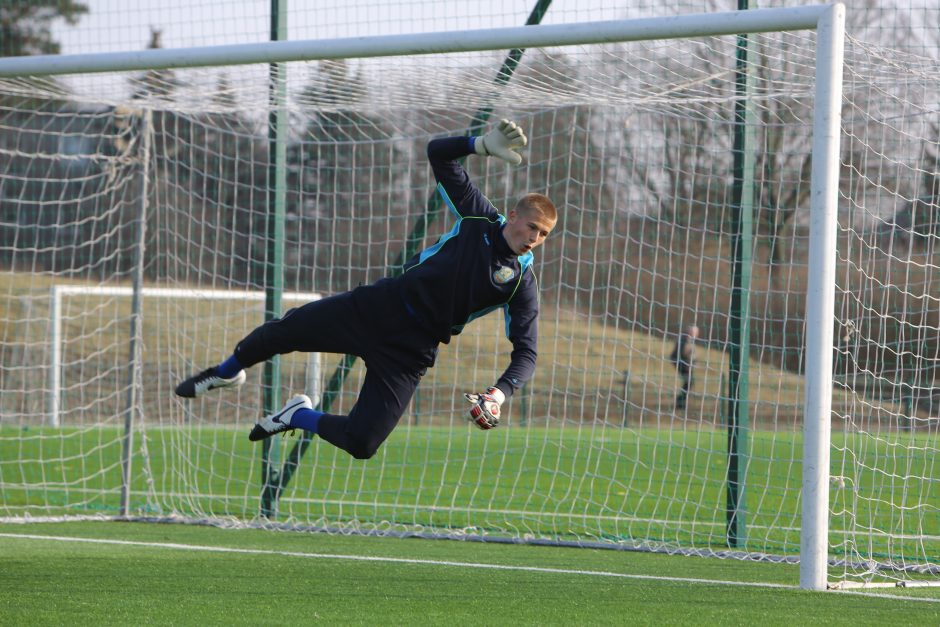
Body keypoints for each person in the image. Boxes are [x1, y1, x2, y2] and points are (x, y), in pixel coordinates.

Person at [175, 120, 558, 459]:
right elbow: (438, 154)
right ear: (514, 216)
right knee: (280, 332)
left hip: (411, 349)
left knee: (363, 444)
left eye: (543, 234)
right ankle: (226, 373)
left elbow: (528, 352)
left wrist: (499, 394)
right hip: (379, 307)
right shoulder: (479, 217)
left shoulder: (522, 282)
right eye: (531, 227)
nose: (535, 238)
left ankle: (297, 415)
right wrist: (479, 145)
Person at [670, 325, 699, 410]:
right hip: (682, 363)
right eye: (695, 332)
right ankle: (680, 403)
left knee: (689, 382)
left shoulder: (688, 339)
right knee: (689, 382)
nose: (697, 334)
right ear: (691, 332)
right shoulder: (685, 339)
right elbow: (684, 352)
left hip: (685, 363)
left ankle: (681, 403)